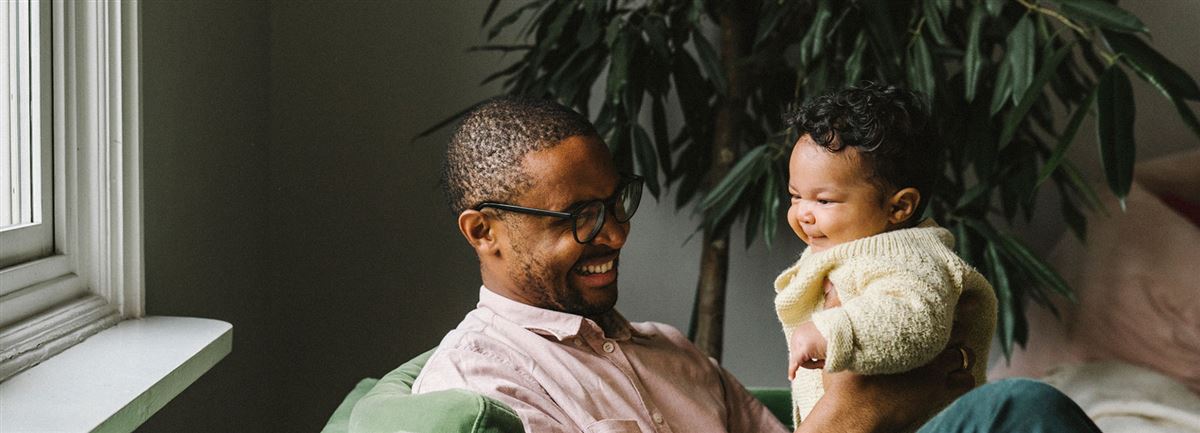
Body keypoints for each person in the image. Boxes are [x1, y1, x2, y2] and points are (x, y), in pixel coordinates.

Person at [412, 95, 1100, 433]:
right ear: (483, 231)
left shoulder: (672, 353)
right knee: (1026, 408)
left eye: (617, 203)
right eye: (580, 217)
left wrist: (902, 394)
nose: (616, 233)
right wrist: (862, 404)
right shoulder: (483, 379)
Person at [774, 84, 997, 428]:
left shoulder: (913, 257)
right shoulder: (843, 251)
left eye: (824, 201)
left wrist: (833, 331)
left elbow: (915, 321)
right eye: (795, 196)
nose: (803, 213)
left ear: (900, 207)